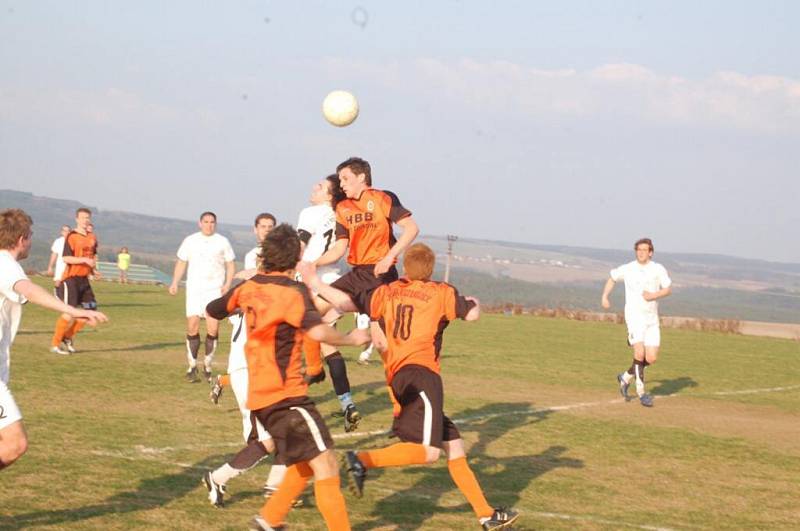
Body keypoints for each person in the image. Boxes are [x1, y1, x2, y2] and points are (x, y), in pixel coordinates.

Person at [297, 243, 519, 531]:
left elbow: (344, 303)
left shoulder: (386, 292)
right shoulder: (441, 292)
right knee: (428, 452)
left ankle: (485, 514)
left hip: (399, 375)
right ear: (431, 268)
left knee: (454, 446)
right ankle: (362, 459)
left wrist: (314, 282)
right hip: (421, 375)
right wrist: (474, 302)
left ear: (404, 267)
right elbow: (472, 314)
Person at [205, 223, 369, 531]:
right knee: (327, 464)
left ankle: (269, 520)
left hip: (261, 396)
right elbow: (317, 330)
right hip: (287, 397)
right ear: (294, 257)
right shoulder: (292, 292)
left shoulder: (248, 287)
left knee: (306, 463)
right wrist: (353, 338)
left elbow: (213, 309)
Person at [1, 209, 107, 471]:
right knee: (15, 443)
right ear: (22, 238)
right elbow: (29, 290)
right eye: (31, 236)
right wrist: (73, 310)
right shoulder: (6, 265)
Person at [204, 213, 288, 507]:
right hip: (247, 368)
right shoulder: (257, 287)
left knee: (284, 433)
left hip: (263, 369)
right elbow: (213, 310)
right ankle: (219, 478)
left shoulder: (263, 288)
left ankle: (276, 490)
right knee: (266, 439)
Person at [295, 175, 364, 431]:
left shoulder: (311, 212)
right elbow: (339, 251)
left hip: (316, 284)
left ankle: (311, 373)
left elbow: (299, 244)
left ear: (329, 195)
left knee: (300, 327)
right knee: (326, 344)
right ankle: (348, 405)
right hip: (334, 282)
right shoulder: (341, 214)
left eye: (321, 186)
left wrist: (303, 265)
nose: (314, 187)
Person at [601, 238, 672, 407]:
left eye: (644, 250)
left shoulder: (658, 269)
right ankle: (641, 392)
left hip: (652, 319)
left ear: (650, 252)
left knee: (651, 358)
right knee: (639, 354)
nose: (640, 252)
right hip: (634, 318)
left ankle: (625, 377)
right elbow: (612, 278)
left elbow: (667, 289)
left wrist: (653, 296)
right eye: (638, 249)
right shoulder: (628, 268)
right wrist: (605, 296)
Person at [169, 211, 235, 383]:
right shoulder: (190, 240)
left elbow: (230, 263)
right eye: (206, 221)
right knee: (192, 326)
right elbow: (182, 261)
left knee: (213, 328)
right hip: (195, 289)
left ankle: (207, 364)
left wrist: (227, 283)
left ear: (216, 224)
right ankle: (192, 366)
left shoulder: (222, 241)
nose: (209, 225)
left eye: (212, 222)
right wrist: (175, 282)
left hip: (215, 289)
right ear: (200, 223)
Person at [50, 208, 99, 355]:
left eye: (88, 218)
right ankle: (55, 344)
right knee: (69, 313)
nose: (86, 220)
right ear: (77, 219)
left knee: (90, 311)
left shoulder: (92, 237)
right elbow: (66, 258)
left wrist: (93, 270)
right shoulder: (72, 236)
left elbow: (92, 258)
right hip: (71, 279)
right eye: (83, 218)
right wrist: (83, 260)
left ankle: (68, 336)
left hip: (84, 280)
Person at [46, 225, 70, 292]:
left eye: (68, 231)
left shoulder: (72, 241)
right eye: (65, 231)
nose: (66, 232)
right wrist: (50, 267)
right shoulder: (58, 241)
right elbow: (54, 254)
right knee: (58, 283)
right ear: (62, 232)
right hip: (60, 266)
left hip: (70, 267)